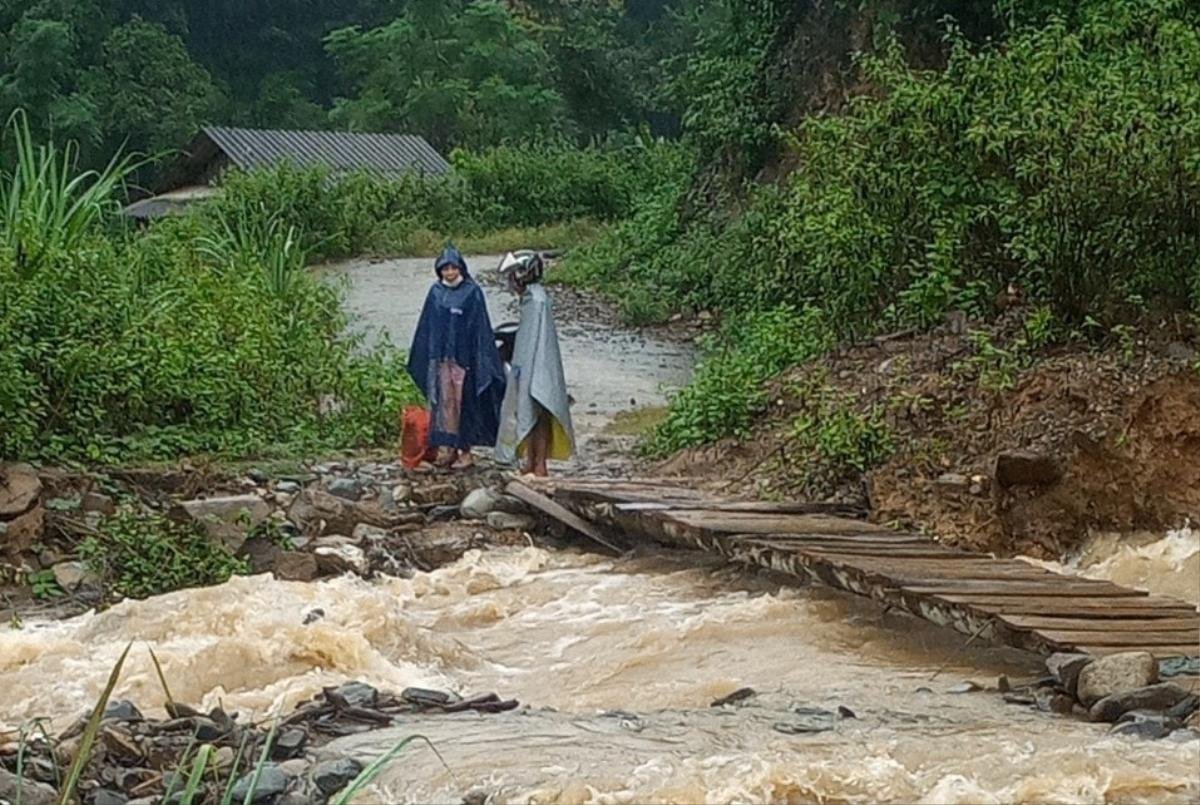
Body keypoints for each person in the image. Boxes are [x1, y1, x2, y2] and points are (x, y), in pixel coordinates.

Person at [407, 246, 505, 470]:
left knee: (465, 405)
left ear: (461, 268)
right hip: (442, 360)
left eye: (453, 268)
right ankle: (448, 448)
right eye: (445, 269)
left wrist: (478, 360)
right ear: (439, 270)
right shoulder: (435, 292)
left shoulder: (472, 292)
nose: (449, 273)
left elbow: (480, 328)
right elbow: (427, 327)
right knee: (445, 405)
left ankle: (466, 451)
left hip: (465, 362)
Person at [495, 251, 575, 476]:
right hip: (529, 369)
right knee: (529, 413)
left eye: (513, 276)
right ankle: (531, 460)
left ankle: (539, 463)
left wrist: (530, 374)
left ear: (524, 274)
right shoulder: (531, 298)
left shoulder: (538, 301)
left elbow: (539, 344)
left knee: (539, 415)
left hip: (538, 371)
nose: (511, 282)